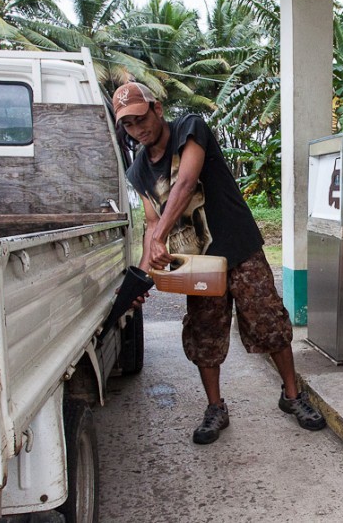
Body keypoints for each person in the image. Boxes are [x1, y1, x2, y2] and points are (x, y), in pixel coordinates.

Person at [112, 82, 326, 444]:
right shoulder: (138, 171)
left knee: (268, 319)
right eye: (128, 125)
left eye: (139, 118)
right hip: (197, 263)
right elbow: (151, 224)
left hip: (238, 245)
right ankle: (216, 408)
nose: (137, 129)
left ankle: (292, 396)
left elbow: (185, 182)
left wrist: (161, 235)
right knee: (204, 333)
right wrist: (145, 274)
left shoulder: (190, 128)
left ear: (157, 109)